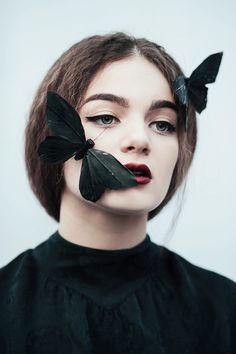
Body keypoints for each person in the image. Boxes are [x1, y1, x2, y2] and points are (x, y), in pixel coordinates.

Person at [0, 31, 235, 354]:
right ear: (51, 135)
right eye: (105, 117)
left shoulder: (223, 309)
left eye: (163, 124)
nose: (140, 139)